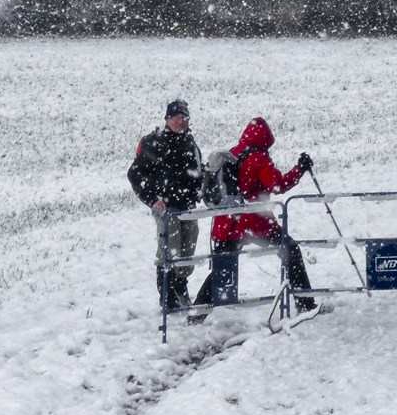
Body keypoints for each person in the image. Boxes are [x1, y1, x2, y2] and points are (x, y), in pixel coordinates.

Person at [208, 116, 319, 312]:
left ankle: (195, 316)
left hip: (226, 222)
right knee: (291, 251)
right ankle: (305, 304)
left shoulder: (234, 152)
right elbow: (278, 185)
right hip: (253, 221)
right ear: (266, 138)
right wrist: (299, 169)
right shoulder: (259, 157)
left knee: (221, 271)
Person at [128, 99, 204, 312]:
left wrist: (201, 188)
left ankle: (181, 289)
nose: (180, 121)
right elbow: (135, 174)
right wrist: (152, 199)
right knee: (169, 252)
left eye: (184, 117)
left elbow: (198, 172)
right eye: (175, 117)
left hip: (187, 206)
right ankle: (168, 298)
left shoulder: (190, 142)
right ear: (167, 119)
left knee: (188, 249)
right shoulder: (154, 142)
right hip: (166, 208)